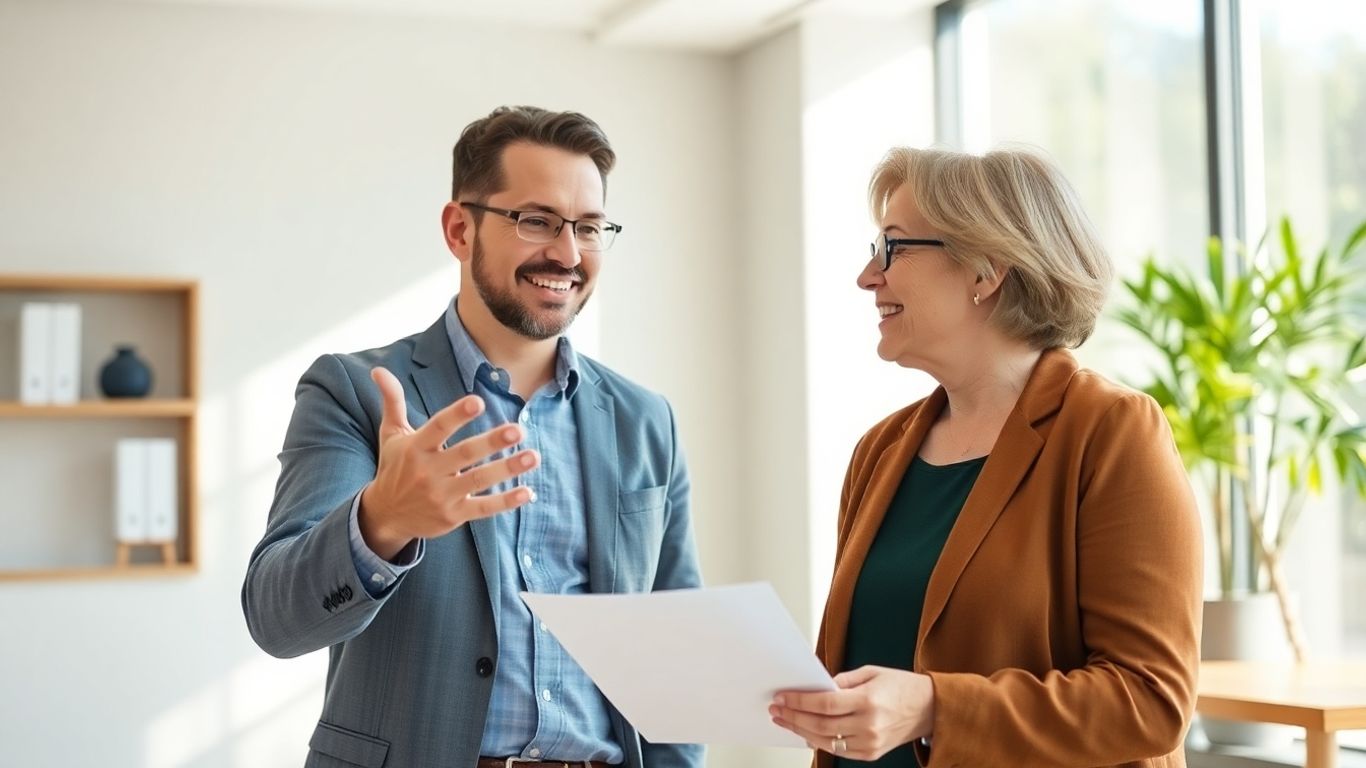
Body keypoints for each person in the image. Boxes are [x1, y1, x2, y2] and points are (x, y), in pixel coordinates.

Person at [242, 105, 704, 768]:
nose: (568, 254)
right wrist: (381, 521)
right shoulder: (357, 394)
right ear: (460, 229)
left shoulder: (644, 420)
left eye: (590, 227)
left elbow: (674, 658)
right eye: (537, 221)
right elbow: (276, 618)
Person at [770, 147, 1202, 767]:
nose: (868, 276)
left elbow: (1151, 700)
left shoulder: (1111, 432)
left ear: (985, 270)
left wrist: (935, 708)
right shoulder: (880, 451)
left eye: (893, 248)